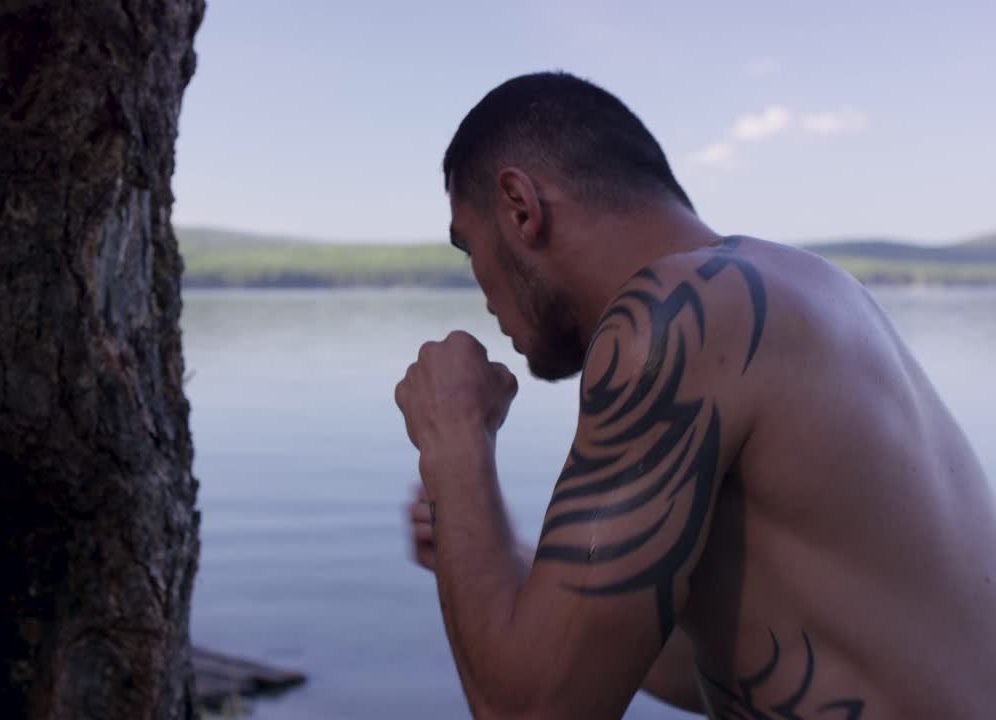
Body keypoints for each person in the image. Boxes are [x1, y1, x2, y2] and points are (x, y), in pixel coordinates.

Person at [393, 72, 996, 719]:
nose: (481, 292)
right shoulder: (810, 289)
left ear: (520, 207)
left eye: (468, 249)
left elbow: (533, 712)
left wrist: (454, 438)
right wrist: (502, 563)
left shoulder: (673, 318)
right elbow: (753, 666)